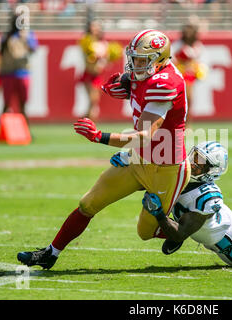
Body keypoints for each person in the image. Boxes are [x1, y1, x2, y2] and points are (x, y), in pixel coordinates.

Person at [17, 29, 191, 270]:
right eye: (134, 58)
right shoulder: (146, 76)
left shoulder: (165, 83)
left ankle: (184, 230)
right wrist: (120, 83)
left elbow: (143, 137)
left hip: (167, 166)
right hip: (140, 160)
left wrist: (100, 137)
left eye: (143, 60)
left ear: (160, 59)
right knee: (88, 204)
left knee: (145, 231)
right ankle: (51, 253)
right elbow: (112, 88)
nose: (136, 64)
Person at [0, 13, 38, 125]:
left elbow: (34, 48)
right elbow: (1, 50)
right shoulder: (7, 36)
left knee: (23, 103)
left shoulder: (28, 34)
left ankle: (25, 128)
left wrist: (25, 38)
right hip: (8, 73)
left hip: (23, 72)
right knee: (6, 103)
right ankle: (3, 128)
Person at [171, 23, 206, 126]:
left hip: (190, 75)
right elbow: (172, 58)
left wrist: (197, 69)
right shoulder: (177, 44)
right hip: (179, 74)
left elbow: (200, 60)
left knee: (189, 99)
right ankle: (177, 122)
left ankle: (187, 123)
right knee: (179, 100)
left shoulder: (198, 45)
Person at [79, 19, 111, 121]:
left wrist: (105, 59)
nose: (95, 29)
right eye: (93, 26)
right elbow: (86, 58)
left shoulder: (103, 42)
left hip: (98, 74)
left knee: (94, 101)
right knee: (93, 100)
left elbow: (106, 59)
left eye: (97, 27)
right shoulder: (86, 41)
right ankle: (88, 121)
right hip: (89, 73)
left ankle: (86, 120)